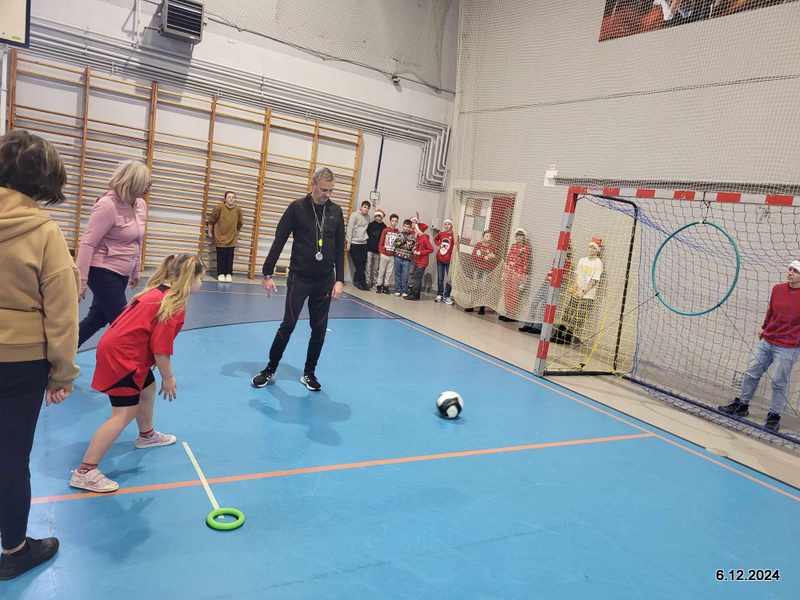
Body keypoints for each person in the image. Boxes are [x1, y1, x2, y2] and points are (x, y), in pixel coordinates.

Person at [0, 130, 79, 580]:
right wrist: (63, 373)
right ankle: (14, 549)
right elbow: (62, 313)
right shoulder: (44, 233)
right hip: (19, 362)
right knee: (11, 457)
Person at [69, 254, 205, 493]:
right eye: (200, 278)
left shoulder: (156, 293)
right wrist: (169, 377)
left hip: (121, 352)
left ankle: (147, 435)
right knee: (123, 413)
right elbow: (161, 350)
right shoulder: (172, 306)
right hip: (124, 359)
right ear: (189, 278)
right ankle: (85, 471)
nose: (201, 283)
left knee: (147, 387)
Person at [251, 168, 345, 392]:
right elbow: (279, 240)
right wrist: (267, 273)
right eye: (324, 190)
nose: (327, 194)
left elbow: (340, 248)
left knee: (319, 329)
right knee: (288, 325)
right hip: (299, 278)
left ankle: (309, 373)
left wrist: (340, 280)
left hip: (325, 280)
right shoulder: (297, 208)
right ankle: (270, 369)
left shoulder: (336, 211)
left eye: (331, 190)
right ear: (313, 184)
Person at [719, 260, 800, 432]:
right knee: (751, 373)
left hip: (788, 346)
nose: (791, 273)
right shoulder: (778, 289)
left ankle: (774, 416)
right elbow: (771, 311)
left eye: (795, 271)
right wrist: (764, 327)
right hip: (767, 340)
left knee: (778, 382)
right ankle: (742, 405)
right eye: (790, 269)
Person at [77, 160, 150, 347]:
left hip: (122, 272)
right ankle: (131, 367)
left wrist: (135, 270)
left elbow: (137, 240)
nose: (148, 187)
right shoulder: (107, 205)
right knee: (123, 324)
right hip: (102, 270)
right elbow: (87, 243)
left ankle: (57, 355)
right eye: (145, 183)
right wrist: (81, 280)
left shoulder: (140, 205)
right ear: (133, 183)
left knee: (97, 318)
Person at [553, 238, 604, 345]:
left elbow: (595, 280)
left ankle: (567, 338)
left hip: (587, 295)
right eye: (590, 247)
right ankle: (557, 335)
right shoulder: (582, 260)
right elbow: (577, 275)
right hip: (576, 293)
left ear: (598, 250)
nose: (591, 249)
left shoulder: (598, 263)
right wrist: (576, 288)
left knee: (578, 318)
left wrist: (583, 291)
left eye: (594, 248)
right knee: (567, 314)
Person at [207, 190, 243, 282]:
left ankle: (229, 273)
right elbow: (211, 221)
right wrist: (210, 232)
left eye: (233, 197)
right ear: (225, 199)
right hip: (220, 237)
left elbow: (239, 223)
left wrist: (237, 233)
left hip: (232, 238)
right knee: (221, 256)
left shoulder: (238, 210)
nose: (231, 199)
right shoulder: (219, 208)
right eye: (229, 197)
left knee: (230, 257)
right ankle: (221, 273)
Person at [500, 228, 531, 322]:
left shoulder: (526, 248)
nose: (519, 238)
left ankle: (512, 314)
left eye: (521, 236)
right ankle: (507, 312)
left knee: (514, 294)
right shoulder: (513, 246)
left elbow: (525, 263)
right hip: (509, 272)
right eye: (517, 236)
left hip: (518, 274)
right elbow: (508, 258)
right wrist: (504, 272)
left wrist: (523, 280)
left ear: (524, 237)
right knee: (507, 292)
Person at [466, 230, 499, 315]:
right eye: (487, 236)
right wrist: (483, 257)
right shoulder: (478, 245)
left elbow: (494, 258)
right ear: (483, 237)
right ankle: (471, 305)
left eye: (489, 236)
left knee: (483, 288)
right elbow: (474, 256)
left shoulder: (492, 247)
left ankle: (482, 307)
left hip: (486, 270)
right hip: (477, 269)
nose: (488, 238)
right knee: (475, 286)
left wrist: (491, 257)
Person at [405, 222, 433, 301]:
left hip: (422, 262)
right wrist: (415, 249)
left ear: (419, 230)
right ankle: (416, 295)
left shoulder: (424, 238)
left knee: (417, 279)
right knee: (417, 278)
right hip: (417, 261)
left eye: (415, 229)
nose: (414, 230)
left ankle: (414, 295)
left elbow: (431, 249)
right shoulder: (419, 237)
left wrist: (420, 252)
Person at [346, 200, 370, 290]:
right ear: (361, 207)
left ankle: (356, 281)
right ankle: (363, 282)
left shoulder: (368, 217)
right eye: (364, 207)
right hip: (354, 243)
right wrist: (348, 242)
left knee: (363, 264)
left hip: (363, 243)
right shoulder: (354, 215)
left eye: (368, 208)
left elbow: (365, 229)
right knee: (358, 264)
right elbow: (350, 228)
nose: (366, 209)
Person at [376, 213, 399, 294]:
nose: (394, 222)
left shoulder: (398, 232)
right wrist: (381, 251)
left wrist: (395, 252)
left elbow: (398, 244)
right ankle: (379, 286)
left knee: (389, 272)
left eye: (396, 221)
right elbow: (381, 241)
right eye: (393, 221)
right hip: (384, 254)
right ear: (390, 221)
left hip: (392, 255)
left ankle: (386, 286)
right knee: (381, 271)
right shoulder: (385, 230)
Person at [393, 219, 416, 297]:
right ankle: (397, 290)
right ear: (403, 226)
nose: (406, 228)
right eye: (405, 226)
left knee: (405, 276)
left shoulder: (412, 236)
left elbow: (409, 246)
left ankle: (404, 290)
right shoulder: (399, 234)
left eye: (408, 227)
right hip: (398, 257)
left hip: (407, 259)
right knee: (397, 274)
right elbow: (396, 244)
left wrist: (402, 242)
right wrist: (404, 241)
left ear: (410, 228)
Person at [434, 219, 456, 303]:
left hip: (449, 260)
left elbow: (456, 245)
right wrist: (439, 244)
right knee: (440, 278)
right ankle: (439, 294)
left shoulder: (454, 235)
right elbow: (436, 239)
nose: (447, 225)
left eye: (449, 224)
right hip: (440, 259)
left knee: (449, 278)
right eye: (445, 224)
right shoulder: (441, 233)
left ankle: (447, 296)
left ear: (452, 225)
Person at [366, 208, 386, 289]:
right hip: (369, 249)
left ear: (382, 217)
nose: (378, 218)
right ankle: (368, 282)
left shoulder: (384, 227)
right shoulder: (370, 225)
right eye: (377, 216)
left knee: (375, 268)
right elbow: (367, 235)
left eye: (380, 216)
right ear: (375, 216)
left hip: (378, 251)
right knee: (368, 266)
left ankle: (374, 283)